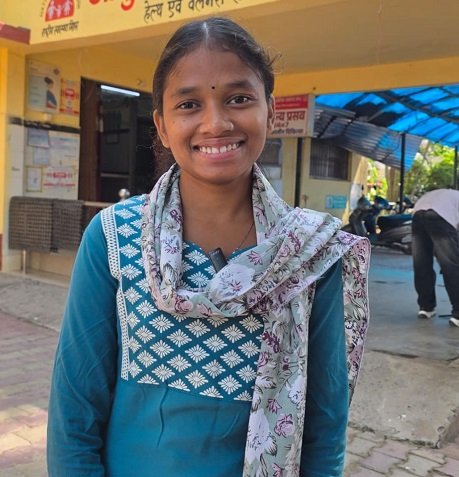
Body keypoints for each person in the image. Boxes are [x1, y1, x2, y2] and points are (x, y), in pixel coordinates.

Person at [47, 16, 370, 477]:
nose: (216, 123)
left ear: (269, 110)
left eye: (238, 99)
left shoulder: (310, 254)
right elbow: (74, 415)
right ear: (161, 126)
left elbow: (325, 425)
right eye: (189, 104)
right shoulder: (114, 238)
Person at [411, 188, 459, 326]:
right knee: (451, 266)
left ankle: (426, 307)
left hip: (418, 216)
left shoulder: (448, 194)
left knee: (422, 263)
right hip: (439, 217)